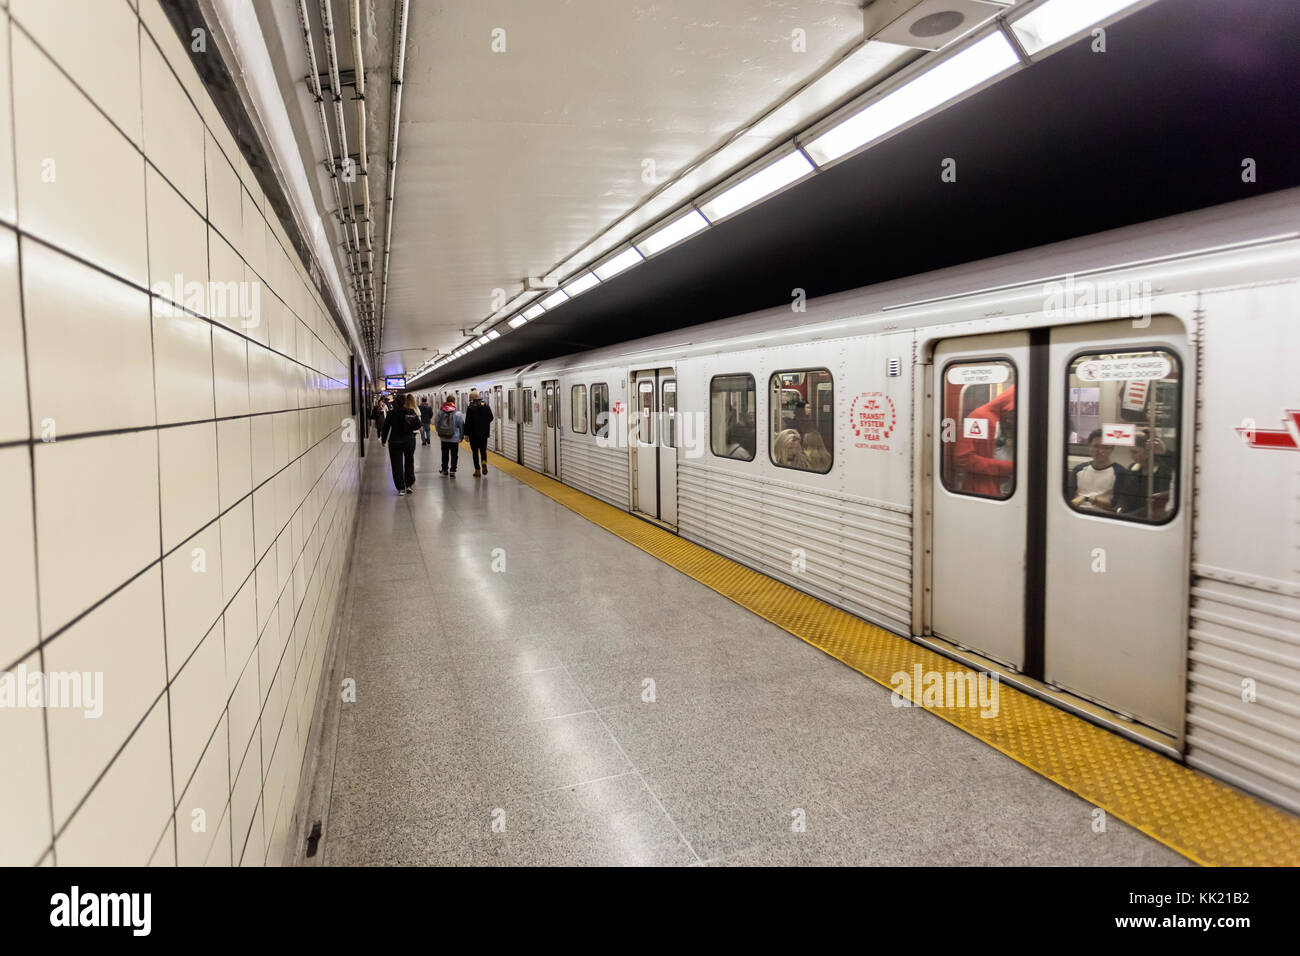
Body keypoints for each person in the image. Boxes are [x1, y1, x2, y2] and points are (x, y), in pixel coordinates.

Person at [953, 386, 1015, 496]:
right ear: (1009, 406)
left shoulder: (1000, 419)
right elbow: (962, 458)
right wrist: (1009, 467)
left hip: (999, 487)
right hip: (983, 490)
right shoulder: (979, 417)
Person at [1114, 429, 1174, 519]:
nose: (1131, 455)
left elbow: (1155, 506)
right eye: (1130, 451)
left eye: (1135, 452)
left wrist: (1127, 516)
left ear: (1148, 452)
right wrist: (1119, 510)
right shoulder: (1133, 468)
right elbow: (1124, 497)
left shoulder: (1162, 471)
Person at [1068, 428, 1126, 511]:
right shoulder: (1079, 469)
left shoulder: (1119, 472)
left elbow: (1116, 505)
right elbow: (1069, 497)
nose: (1100, 451)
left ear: (1112, 449)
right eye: (1096, 446)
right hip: (1078, 513)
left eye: (1105, 447)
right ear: (1089, 446)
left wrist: (1088, 498)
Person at [381, 393, 420, 495]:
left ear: (395, 403)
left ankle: (401, 488)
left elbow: (385, 428)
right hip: (409, 441)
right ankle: (409, 485)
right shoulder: (410, 411)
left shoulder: (391, 413)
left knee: (396, 465)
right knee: (409, 462)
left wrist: (383, 440)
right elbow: (418, 425)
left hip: (395, 442)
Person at [464, 388, 495, 477]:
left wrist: (466, 434)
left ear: (472, 398)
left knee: (475, 452)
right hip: (484, 434)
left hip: (473, 435)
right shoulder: (485, 405)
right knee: (483, 450)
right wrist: (484, 424)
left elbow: (468, 422)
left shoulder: (470, 408)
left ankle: (477, 470)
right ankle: (484, 462)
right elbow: (491, 418)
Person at [434, 393, 465, 478]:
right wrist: (461, 436)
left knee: (444, 454)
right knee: (454, 455)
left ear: (446, 401)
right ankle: (452, 471)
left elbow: (436, 422)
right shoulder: (457, 413)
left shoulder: (440, 412)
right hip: (454, 438)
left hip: (444, 438)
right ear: (454, 402)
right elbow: (461, 425)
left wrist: (439, 432)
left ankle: (444, 470)